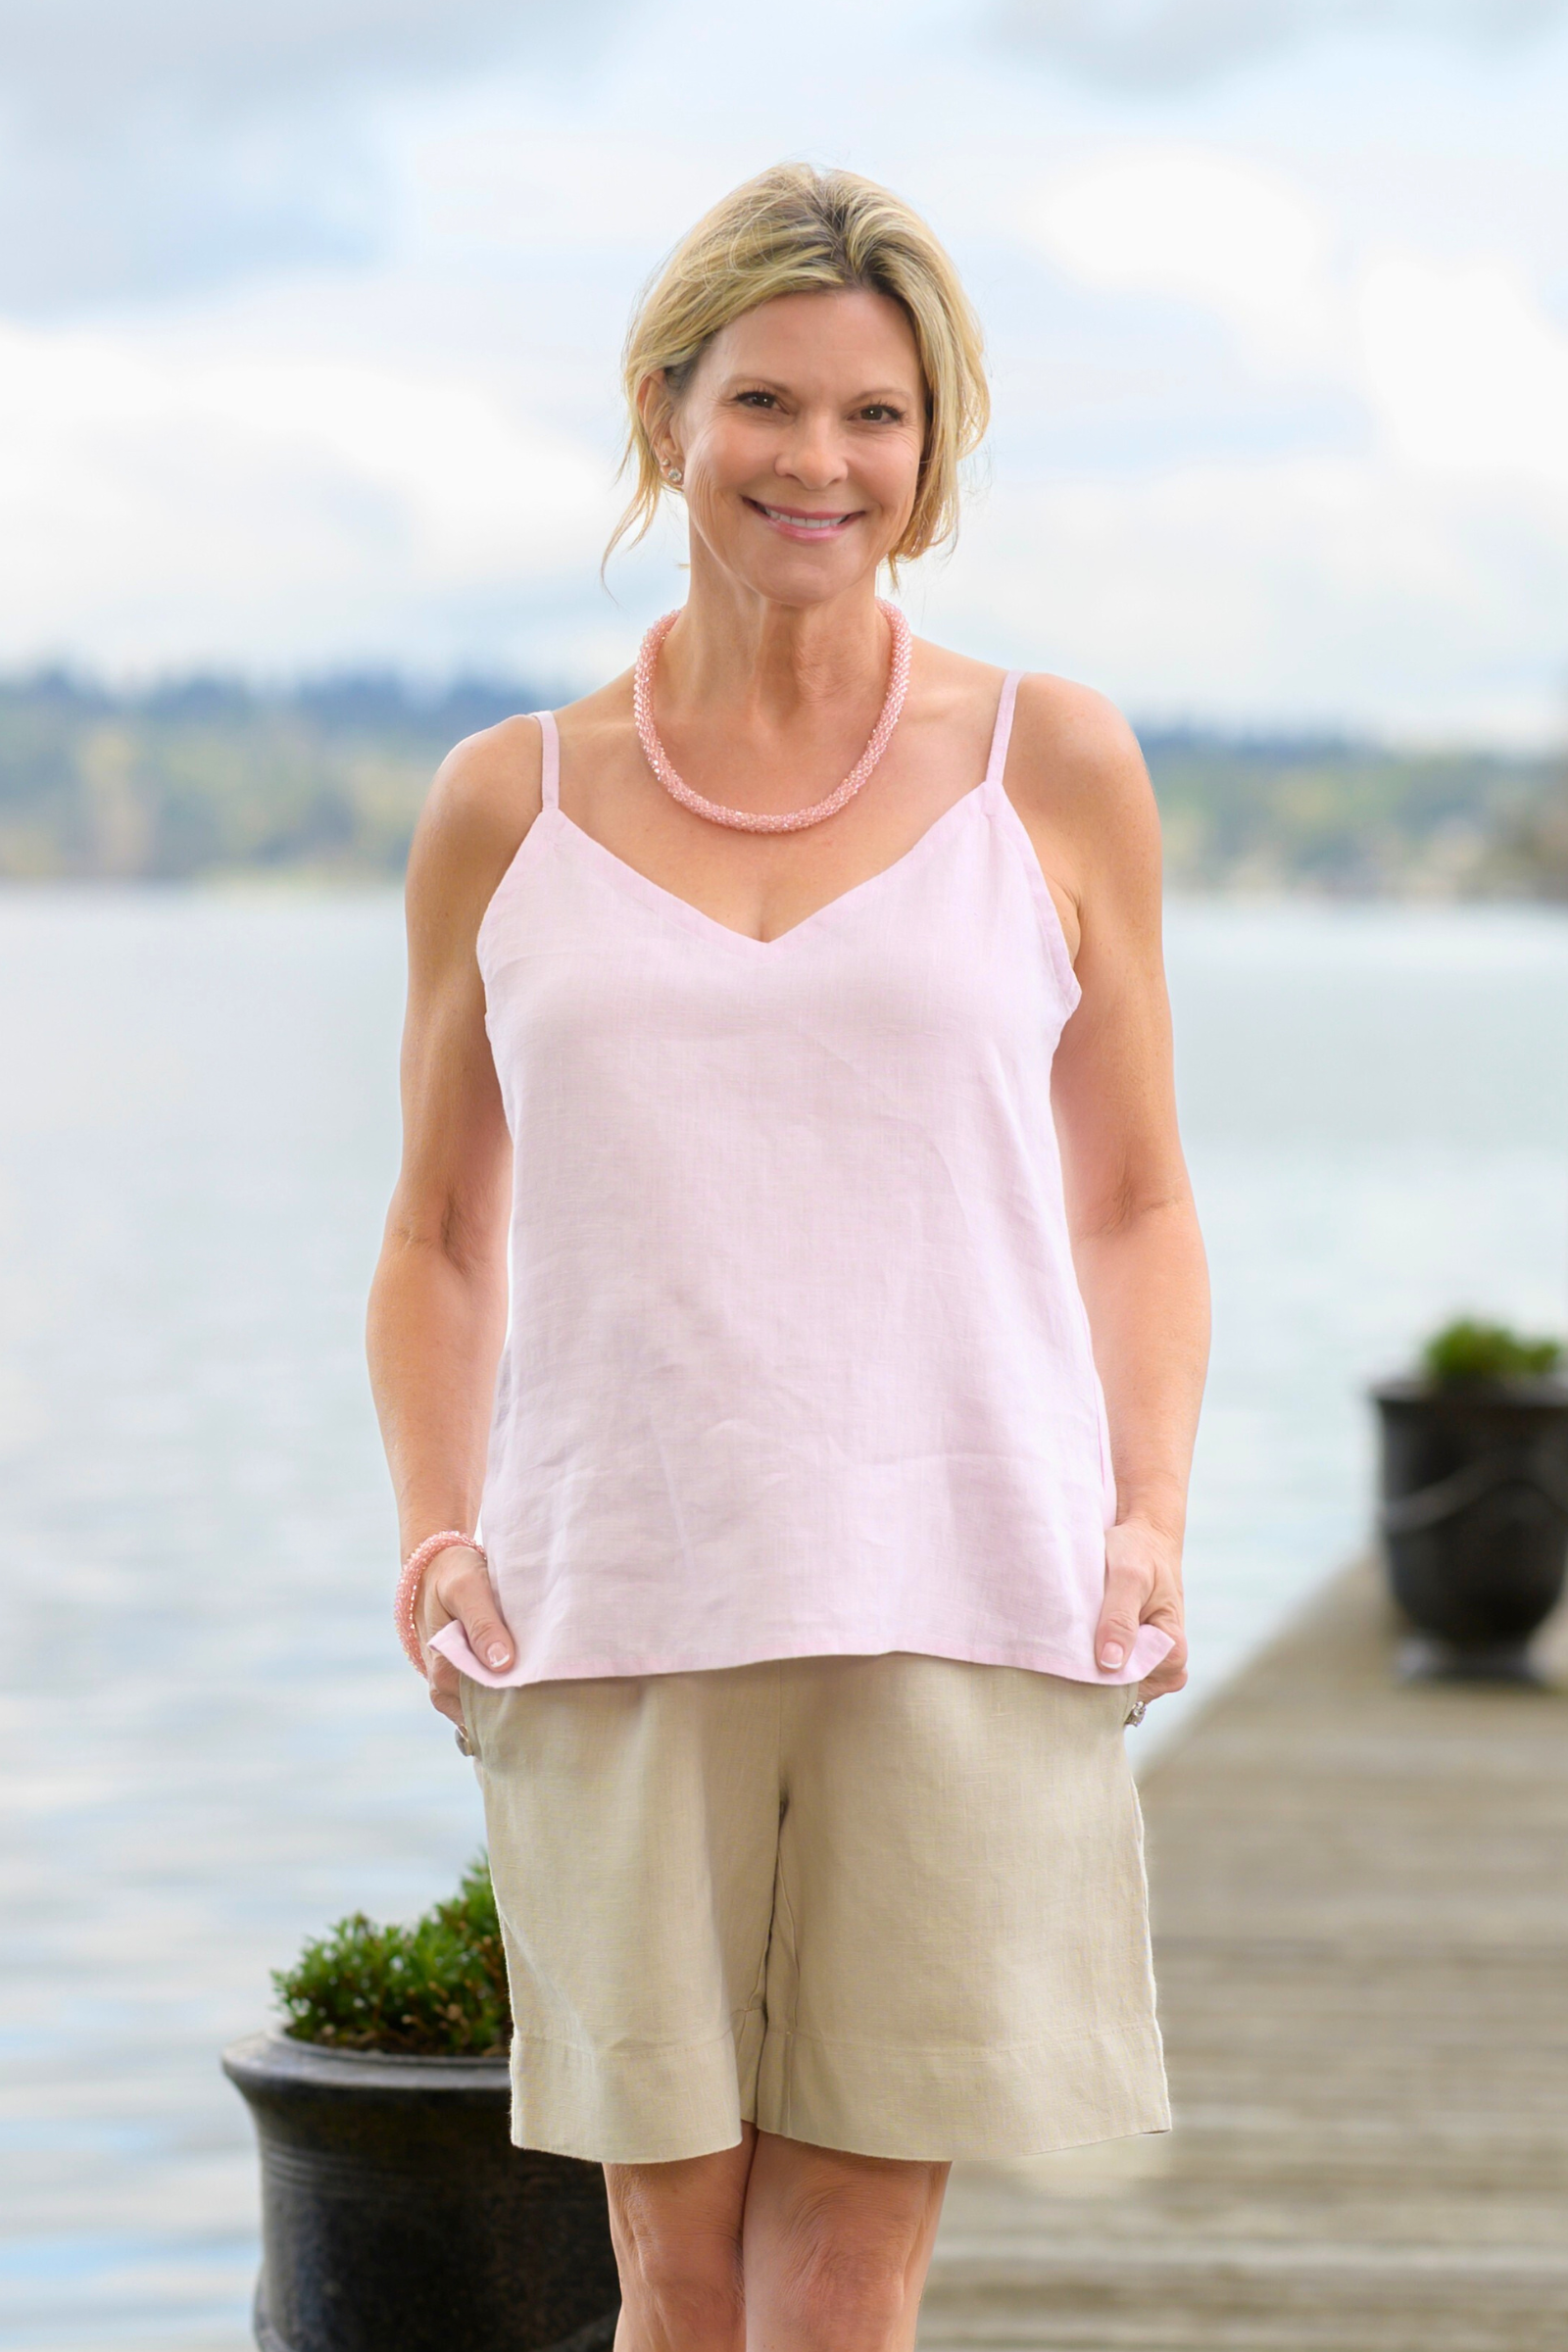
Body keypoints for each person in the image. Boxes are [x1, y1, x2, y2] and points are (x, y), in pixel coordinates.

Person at [367, 162, 1209, 2352]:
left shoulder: (1053, 765)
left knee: (839, 2289)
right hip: (615, 1594)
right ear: (665, 413)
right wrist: (436, 1527)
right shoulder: (508, 802)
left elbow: (1133, 1195)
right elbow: (440, 1230)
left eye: (875, 415)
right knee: (672, 2277)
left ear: (932, 452)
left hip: (962, 1587)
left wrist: (1144, 1509)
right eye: (764, 401)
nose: (816, 460)